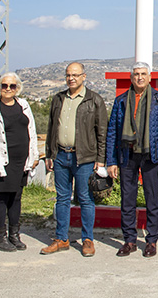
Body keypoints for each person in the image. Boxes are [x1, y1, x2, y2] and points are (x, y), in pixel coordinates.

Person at [105, 62, 158, 258]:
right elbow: (112, 132)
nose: (140, 77)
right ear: (131, 77)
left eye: (143, 74)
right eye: (136, 74)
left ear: (149, 77)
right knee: (127, 199)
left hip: (151, 155)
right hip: (127, 155)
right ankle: (129, 240)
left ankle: (152, 240)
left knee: (153, 199)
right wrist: (111, 161)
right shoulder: (121, 101)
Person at [41, 62, 108, 258]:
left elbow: (101, 132)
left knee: (86, 199)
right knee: (62, 198)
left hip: (84, 158)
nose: (71, 78)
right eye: (68, 75)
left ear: (84, 76)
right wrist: (49, 154)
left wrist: (101, 159)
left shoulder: (94, 100)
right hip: (61, 156)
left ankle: (87, 239)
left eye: (75, 75)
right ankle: (61, 238)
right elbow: (52, 127)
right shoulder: (58, 99)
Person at [0, 72, 39, 253]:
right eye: (4, 86)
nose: (8, 89)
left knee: (16, 198)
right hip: (2, 161)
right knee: (2, 198)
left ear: (17, 88)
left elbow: (31, 131)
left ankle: (14, 235)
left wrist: (34, 155)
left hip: (21, 161)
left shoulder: (24, 105)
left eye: (12, 86)